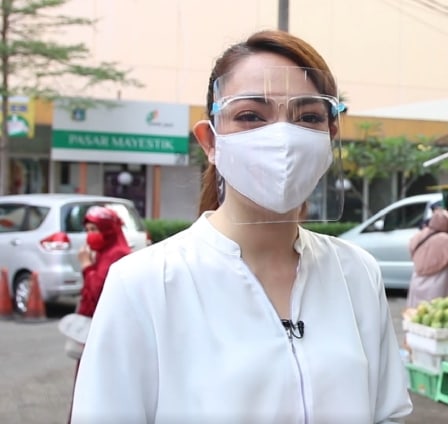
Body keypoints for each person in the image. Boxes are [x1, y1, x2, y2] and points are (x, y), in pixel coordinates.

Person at [70, 30, 412, 423]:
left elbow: (386, 413)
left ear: (329, 138)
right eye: (250, 116)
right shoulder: (144, 283)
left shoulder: (357, 273)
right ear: (210, 141)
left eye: (309, 117)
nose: (282, 136)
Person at [67, 206, 131, 423]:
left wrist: (86, 266)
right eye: (87, 229)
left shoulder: (117, 255)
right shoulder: (103, 253)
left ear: (108, 230)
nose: (90, 235)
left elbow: (97, 292)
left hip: (107, 334)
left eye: (94, 229)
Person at [407, 209, 448, 308]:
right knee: (437, 313)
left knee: (418, 314)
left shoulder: (418, 236)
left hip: (417, 281)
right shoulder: (447, 240)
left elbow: (411, 252)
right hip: (438, 285)